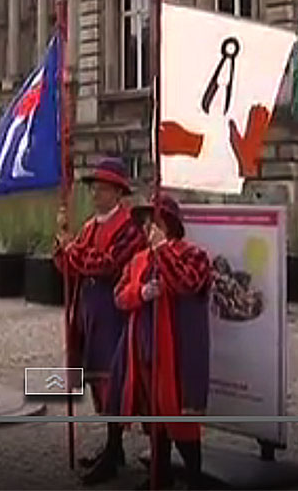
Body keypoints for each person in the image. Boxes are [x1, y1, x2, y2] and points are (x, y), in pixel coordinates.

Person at [108, 193, 212, 490]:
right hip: (143, 351)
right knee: (153, 419)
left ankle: (194, 478)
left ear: (169, 224)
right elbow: (119, 295)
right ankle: (160, 474)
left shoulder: (194, 255)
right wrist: (140, 293)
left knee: (180, 420)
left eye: (152, 222)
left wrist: (163, 251)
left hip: (177, 355)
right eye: (144, 222)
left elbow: (187, 283)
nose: (146, 228)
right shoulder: (139, 259)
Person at [54, 157, 148, 485]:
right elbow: (72, 264)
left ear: (118, 193)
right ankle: (114, 448)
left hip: (116, 314)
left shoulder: (130, 229)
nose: (96, 194)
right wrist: (63, 245)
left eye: (103, 189)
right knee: (96, 379)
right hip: (89, 312)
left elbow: (107, 265)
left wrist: (72, 251)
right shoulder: (91, 226)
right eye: (95, 188)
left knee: (114, 381)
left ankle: (113, 449)